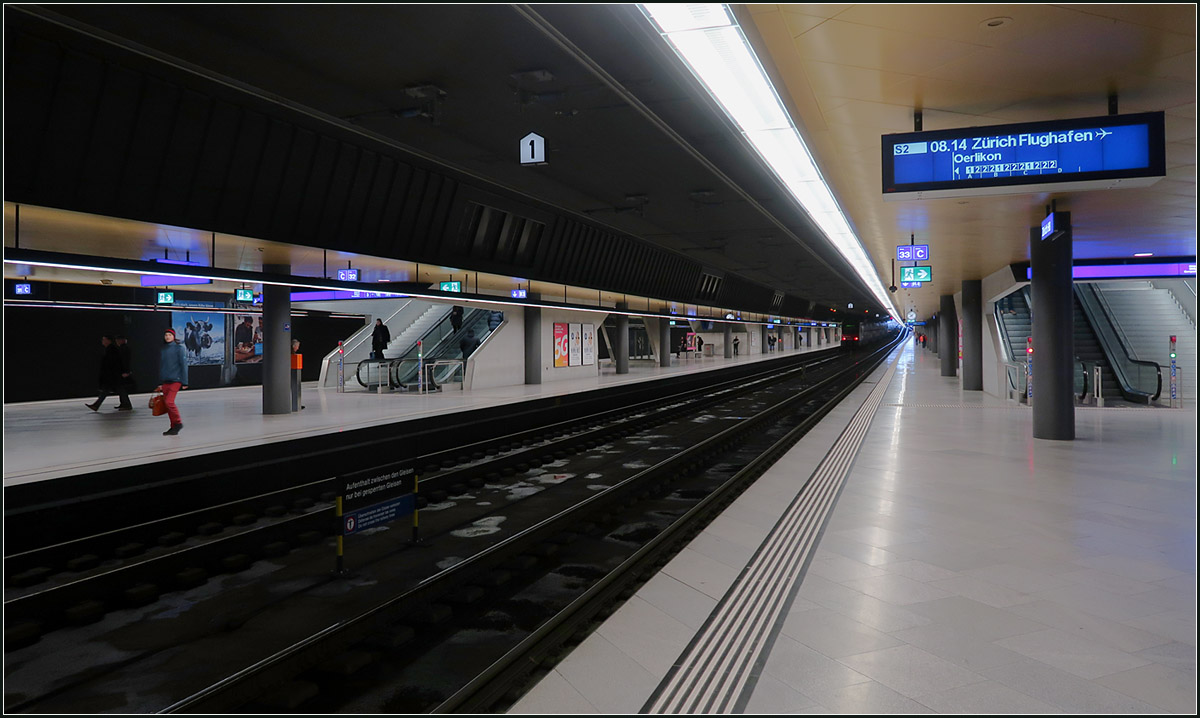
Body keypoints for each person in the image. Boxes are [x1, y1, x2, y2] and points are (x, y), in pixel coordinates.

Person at [156, 327, 188, 435]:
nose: (167, 337)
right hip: (166, 380)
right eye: (166, 335)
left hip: (176, 380)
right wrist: (160, 381)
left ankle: (178, 423)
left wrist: (185, 381)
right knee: (167, 404)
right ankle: (173, 427)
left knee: (169, 402)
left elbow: (184, 365)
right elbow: (162, 366)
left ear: (174, 337)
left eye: (169, 335)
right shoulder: (163, 349)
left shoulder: (179, 348)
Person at [86, 335, 126, 411]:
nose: (102, 341)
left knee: (110, 390)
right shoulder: (111, 349)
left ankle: (96, 405)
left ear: (109, 340)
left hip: (112, 375)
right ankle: (96, 405)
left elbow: (111, 363)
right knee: (118, 389)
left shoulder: (111, 350)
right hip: (113, 375)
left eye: (104, 340)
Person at [115, 335, 134, 410]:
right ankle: (123, 403)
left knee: (121, 388)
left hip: (122, 372)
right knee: (121, 388)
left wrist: (126, 371)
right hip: (122, 371)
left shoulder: (123, 349)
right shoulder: (123, 348)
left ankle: (126, 404)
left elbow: (125, 361)